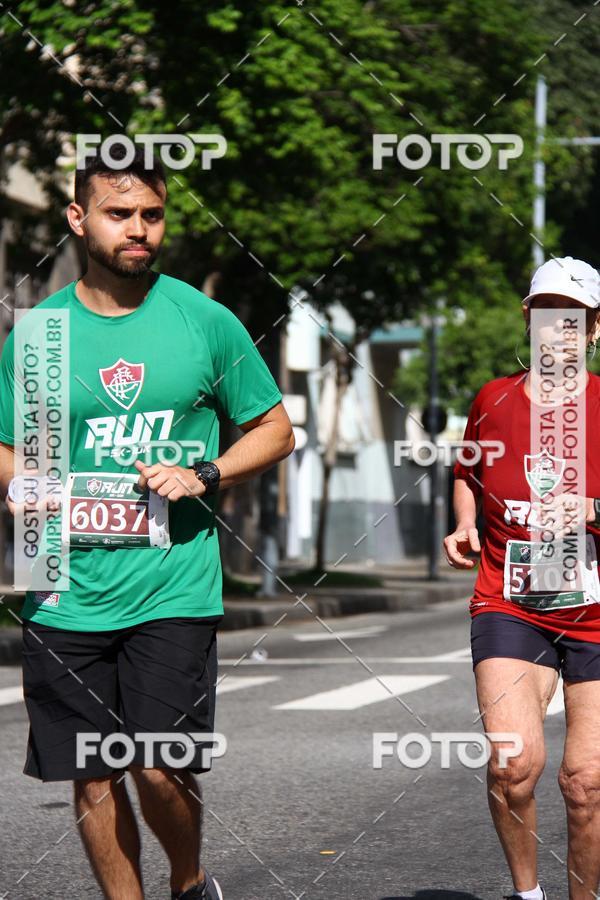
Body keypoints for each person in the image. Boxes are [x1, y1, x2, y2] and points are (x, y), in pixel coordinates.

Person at [0, 147, 295, 900]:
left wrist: (205, 472)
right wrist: (24, 483)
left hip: (173, 586)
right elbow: (6, 447)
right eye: (120, 213)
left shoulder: (204, 321)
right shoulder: (37, 336)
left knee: (158, 762)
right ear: (77, 218)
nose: (140, 230)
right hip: (62, 584)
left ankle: (190, 883)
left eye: (152, 215)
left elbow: (275, 428)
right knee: (93, 772)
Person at [444, 256, 600, 900]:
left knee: (585, 783)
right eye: (546, 315)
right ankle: (528, 895)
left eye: (574, 320)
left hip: (596, 612)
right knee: (514, 765)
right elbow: (466, 470)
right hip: (511, 603)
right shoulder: (494, 398)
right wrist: (464, 522)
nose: (558, 331)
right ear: (527, 320)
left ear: (593, 330)